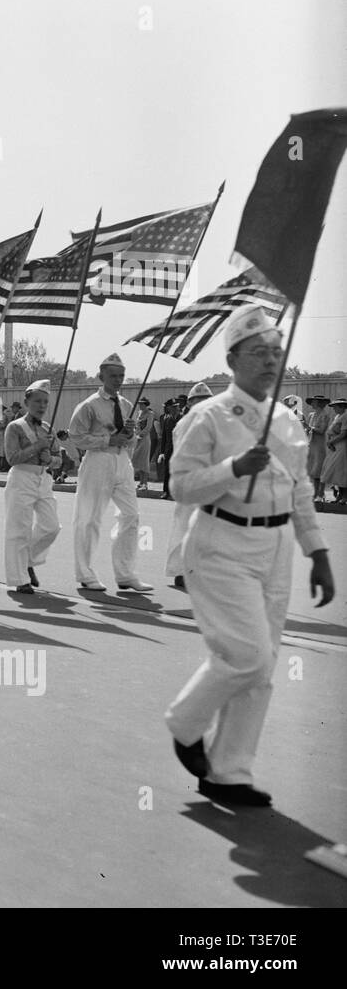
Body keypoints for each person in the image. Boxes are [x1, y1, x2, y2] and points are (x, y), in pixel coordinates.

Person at [165, 304, 334, 807]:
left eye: (276, 353)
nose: (269, 361)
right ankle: (185, 721)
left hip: (275, 546)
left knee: (263, 667)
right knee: (246, 654)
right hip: (222, 545)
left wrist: (318, 550)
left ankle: (228, 772)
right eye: (258, 352)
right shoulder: (208, 416)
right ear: (233, 358)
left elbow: (301, 490)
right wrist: (234, 467)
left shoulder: (286, 420)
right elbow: (180, 486)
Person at [68, 351, 151, 592]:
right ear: (101, 376)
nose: (118, 380)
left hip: (122, 462)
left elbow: (129, 439)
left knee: (131, 515)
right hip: (98, 461)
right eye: (113, 376)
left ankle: (125, 573)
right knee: (89, 518)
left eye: (121, 376)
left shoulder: (127, 405)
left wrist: (129, 436)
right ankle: (85, 572)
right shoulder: (89, 405)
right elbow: (77, 436)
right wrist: (108, 439)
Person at [4, 379, 61, 593]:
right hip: (21, 477)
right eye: (37, 401)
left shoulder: (48, 428)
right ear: (27, 401)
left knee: (51, 527)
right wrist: (37, 446)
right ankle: (20, 579)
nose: (42, 406)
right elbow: (12, 457)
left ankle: (28, 561)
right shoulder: (15, 427)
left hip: (43, 478)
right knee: (19, 529)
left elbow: (59, 459)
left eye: (45, 402)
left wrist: (50, 460)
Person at [162, 385, 215, 591]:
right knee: (185, 527)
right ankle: (181, 571)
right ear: (191, 404)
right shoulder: (186, 424)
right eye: (198, 401)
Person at [320, 398, 347, 503]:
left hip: (341, 445)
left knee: (341, 470)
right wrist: (330, 442)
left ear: (342, 407)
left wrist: (331, 441)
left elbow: (344, 433)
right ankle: (339, 495)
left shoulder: (345, 416)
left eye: (336, 406)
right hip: (334, 446)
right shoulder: (337, 417)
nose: (334, 408)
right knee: (335, 471)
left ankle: (344, 496)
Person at [155, 396, 182, 500]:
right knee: (167, 471)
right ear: (169, 408)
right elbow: (164, 437)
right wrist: (162, 452)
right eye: (173, 407)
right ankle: (166, 492)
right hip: (169, 450)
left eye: (176, 406)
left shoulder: (184, 418)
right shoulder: (167, 420)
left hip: (180, 449)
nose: (175, 408)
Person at [305, 395, 331, 501]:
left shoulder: (325, 415)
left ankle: (321, 493)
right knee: (313, 470)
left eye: (314, 402)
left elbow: (322, 430)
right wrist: (305, 429)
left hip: (319, 444)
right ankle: (315, 493)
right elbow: (308, 429)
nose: (312, 404)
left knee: (319, 469)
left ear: (320, 403)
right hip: (311, 443)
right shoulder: (311, 415)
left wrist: (309, 427)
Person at [131, 397, 155, 491]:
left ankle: (145, 483)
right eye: (139, 404)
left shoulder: (150, 414)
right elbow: (136, 426)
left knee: (144, 461)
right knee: (138, 461)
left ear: (146, 404)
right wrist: (135, 434)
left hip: (145, 440)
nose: (140, 405)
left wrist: (140, 435)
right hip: (137, 440)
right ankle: (141, 483)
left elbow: (148, 427)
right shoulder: (139, 413)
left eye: (142, 404)